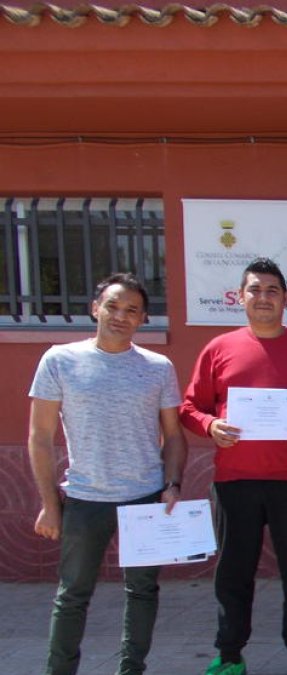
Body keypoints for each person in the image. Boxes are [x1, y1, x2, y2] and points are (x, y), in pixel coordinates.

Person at [180, 257, 287, 675]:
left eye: (272, 290)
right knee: (233, 573)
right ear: (240, 297)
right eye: (255, 289)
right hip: (236, 483)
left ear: (286, 298)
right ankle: (230, 654)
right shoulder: (219, 349)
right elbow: (188, 408)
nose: (263, 297)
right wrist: (210, 424)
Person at [28, 273, 187, 675]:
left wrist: (172, 484)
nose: (121, 315)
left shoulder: (157, 367)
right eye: (113, 306)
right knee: (72, 596)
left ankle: (131, 669)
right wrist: (50, 505)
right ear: (95, 308)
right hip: (85, 497)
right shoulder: (59, 359)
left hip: (145, 497)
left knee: (143, 591)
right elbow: (40, 437)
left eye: (131, 310)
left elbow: (173, 436)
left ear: (142, 319)